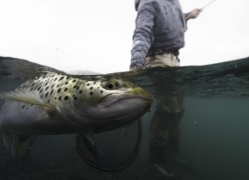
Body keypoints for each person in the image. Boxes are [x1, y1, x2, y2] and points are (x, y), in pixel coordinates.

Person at [130, 0, 201, 178]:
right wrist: (136, 63)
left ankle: (172, 151)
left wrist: (188, 17)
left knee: (177, 110)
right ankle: (156, 159)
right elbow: (143, 31)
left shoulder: (174, 3)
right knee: (168, 110)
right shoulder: (150, 2)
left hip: (175, 60)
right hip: (158, 59)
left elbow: (174, 25)